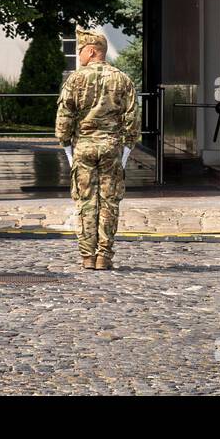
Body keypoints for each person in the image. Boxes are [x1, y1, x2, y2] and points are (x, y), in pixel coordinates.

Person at [55, 29, 140, 271]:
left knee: (85, 202)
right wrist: (127, 146)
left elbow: (65, 116)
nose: (79, 55)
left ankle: (87, 256)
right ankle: (104, 255)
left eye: (80, 50)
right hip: (111, 147)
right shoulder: (122, 79)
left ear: (91, 51)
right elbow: (132, 118)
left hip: (84, 146)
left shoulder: (75, 79)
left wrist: (65, 143)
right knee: (109, 202)